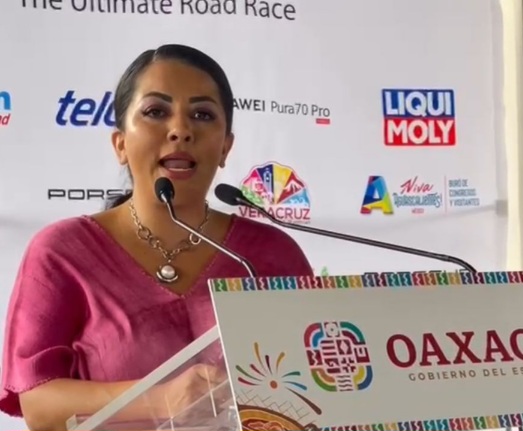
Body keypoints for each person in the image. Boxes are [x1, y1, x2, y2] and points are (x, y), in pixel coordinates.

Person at [0, 44, 314, 431]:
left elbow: (315, 389)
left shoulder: (272, 255)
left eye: (202, 114)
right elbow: (38, 404)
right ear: (120, 144)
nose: (181, 130)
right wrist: (160, 399)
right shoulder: (63, 251)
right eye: (156, 112)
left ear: (225, 147)